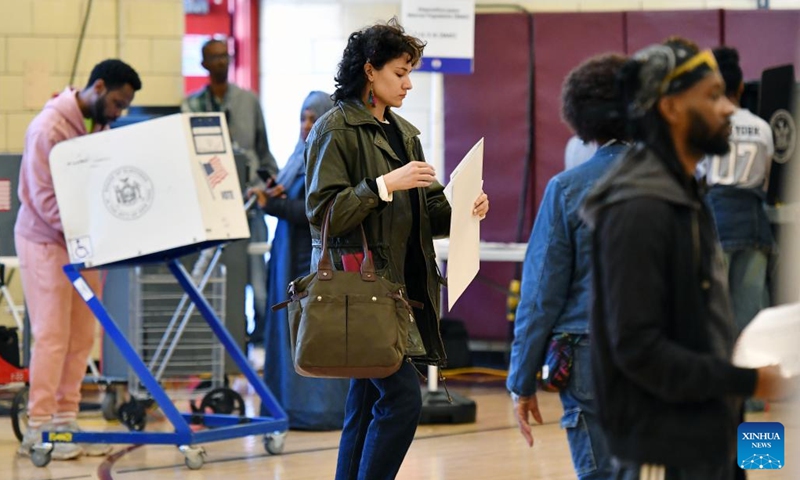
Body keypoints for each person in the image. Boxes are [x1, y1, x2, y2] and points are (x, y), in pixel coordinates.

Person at [581, 37, 791, 479]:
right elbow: (639, 348)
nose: (729, 108)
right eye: (712, 96)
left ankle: (758, 454)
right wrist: (749, 383)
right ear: (671, 107)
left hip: (703, 436)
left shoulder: (683, 193)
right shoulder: (638, 208)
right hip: (662, 444)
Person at [304, 19, 489, 480]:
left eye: (410, 73)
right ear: (370, 71)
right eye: (399, 72)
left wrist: (465, 209)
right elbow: (324, 213)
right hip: (359, 292)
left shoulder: (404, 132)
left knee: (366, 404)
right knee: (403, 399)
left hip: (397, 293)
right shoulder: (334, 129)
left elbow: (427, 213)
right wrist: (383, 184)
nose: (408, 83)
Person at [507, 53, 627, 480]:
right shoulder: (681, 186)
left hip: (589, 351)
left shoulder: (567, 189)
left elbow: (541, 295)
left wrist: (521, 380)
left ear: (579, 119)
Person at [15, 59, 142, 459]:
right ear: (99, 87)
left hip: (84, 244)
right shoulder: (47, 128)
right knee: (52, 335)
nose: (119, 112)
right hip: (44, 241)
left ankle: (65, 419)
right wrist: (94, 233)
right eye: (118, 103)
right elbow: (43, 201)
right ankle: (39, 427)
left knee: (83, 335)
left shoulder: (97, 127)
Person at [251, 91, 349, 430]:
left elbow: (316, 212)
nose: (306, 125)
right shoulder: (298, 158)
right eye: (302, 118)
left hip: (309, 260)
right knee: (287, 332)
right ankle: (286, 407)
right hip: (286, 256)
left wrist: (271, 205)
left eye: (313, 119)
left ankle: (317, 409)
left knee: (310, 332)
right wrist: (269, 193)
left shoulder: (328, 159)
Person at [182, 38, 278, 368]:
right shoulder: (192, 106)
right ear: (204, 63)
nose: (221, 62)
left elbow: (264, 153)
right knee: (214, 284)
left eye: (225, 56)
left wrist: (274, 187)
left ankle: (262, 346)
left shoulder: (249, 102)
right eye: (214, 57)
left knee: (261, 287)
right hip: (212, 208)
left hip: (250, 205)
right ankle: (216, 356)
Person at [698, 46, 775, 333]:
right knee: (751, 318)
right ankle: (753, 375)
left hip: (717, 222)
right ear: (742, 87)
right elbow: (766, 180)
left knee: (713, 314)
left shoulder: (709, 126)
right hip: (755, 223)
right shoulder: (762, 127)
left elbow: (699, 176)